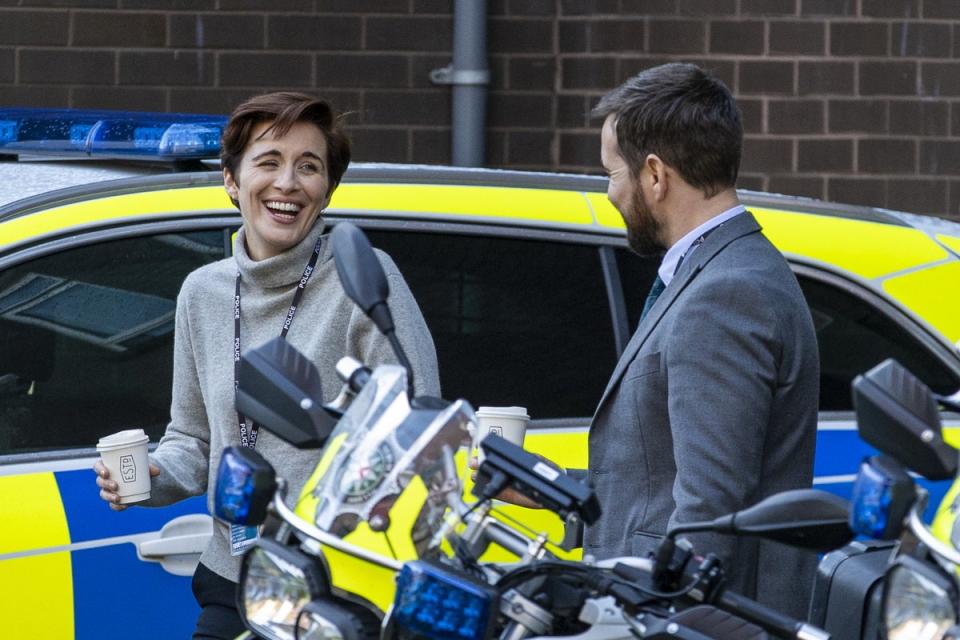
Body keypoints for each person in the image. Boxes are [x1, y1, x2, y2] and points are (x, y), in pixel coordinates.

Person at [94, 92, 440, 638]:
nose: (288, 183)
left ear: (327, 189)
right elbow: (194, 438)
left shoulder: (365, 276)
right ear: (231, 180)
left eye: (309, 166)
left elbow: (420, 430)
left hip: (334, 584)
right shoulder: (201, 292)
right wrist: (155, 476)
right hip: (232, 575)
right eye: (269, 162)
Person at [586, 63, 819, 617]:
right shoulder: (722, 274)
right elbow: (658, 484)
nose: (609, 192)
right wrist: (555, 495)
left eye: (612, 173)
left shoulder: (726, 294)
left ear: (655, 175)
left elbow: (706, 515)